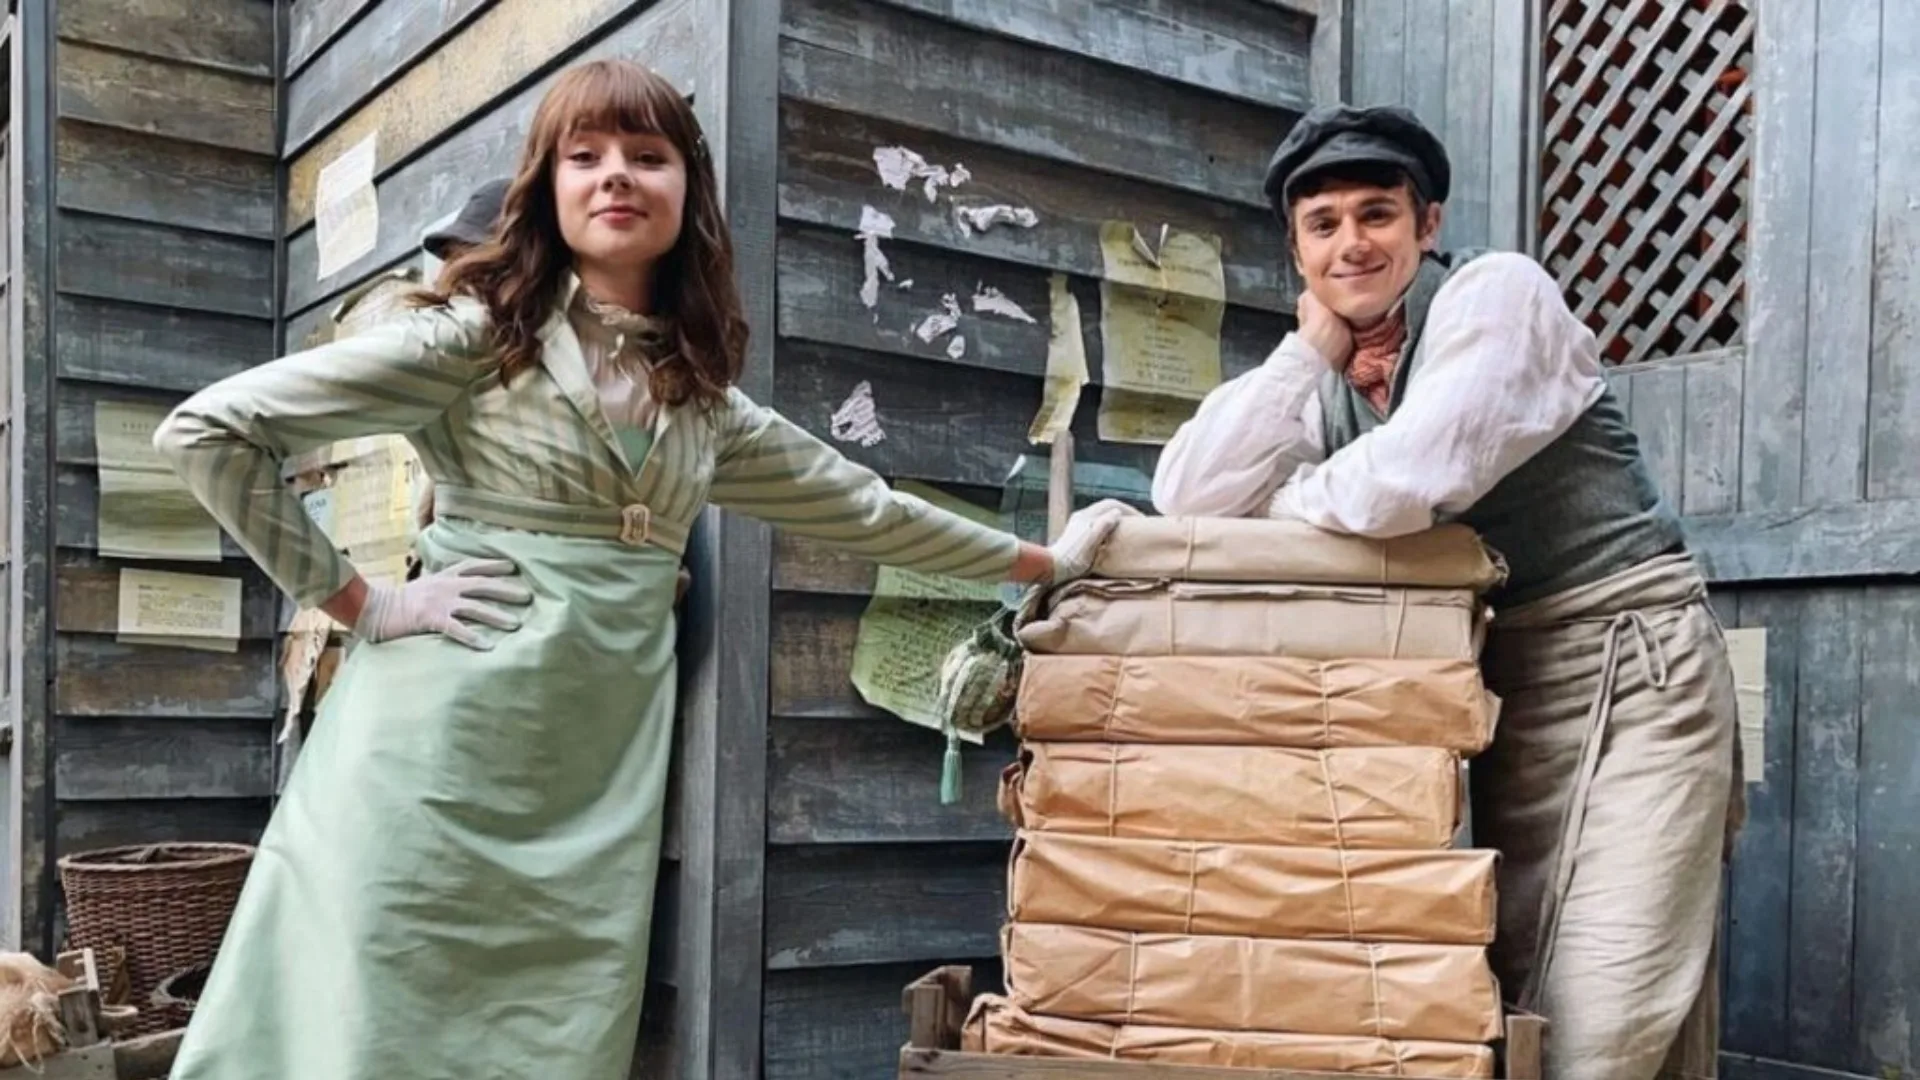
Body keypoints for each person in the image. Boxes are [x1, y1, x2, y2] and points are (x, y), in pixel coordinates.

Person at [154, 58, 1128, 1079]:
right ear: (549, 187)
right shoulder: (476, 342)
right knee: (370, 1024)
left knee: (547, 1039)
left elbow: (867, 509)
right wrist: (363, 602)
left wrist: (1045, 560)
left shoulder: (699, 399)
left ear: (687, 194)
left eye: (647, 156)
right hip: (429, 765)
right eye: (587, 155)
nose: (617, 175)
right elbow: (211, 431)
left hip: (590, 793)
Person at [1151, 104, 1743, 1080]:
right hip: (1494, 699)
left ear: (1428, 225)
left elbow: (1414, 476)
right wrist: (1306, 356)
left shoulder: (1496, 297)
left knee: (1603, 1013)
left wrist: (1289, 501)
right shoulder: (1325, 366)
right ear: (1296, 252)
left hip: (1635, 672)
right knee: (1513, 998)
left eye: (1377, 214)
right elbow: (1188, 496)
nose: (1352, 244)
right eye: (1324, 224)